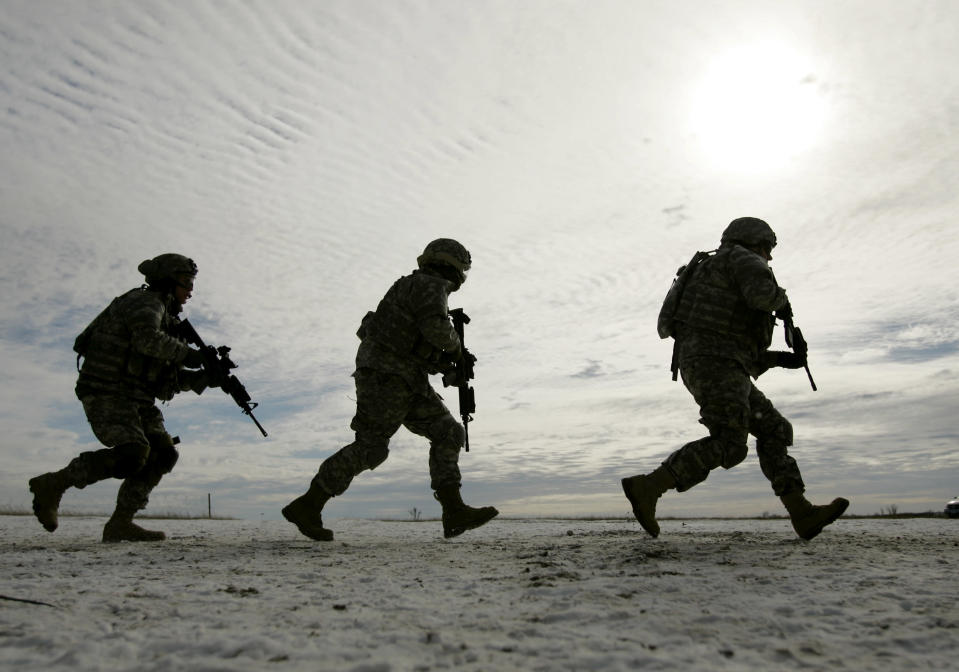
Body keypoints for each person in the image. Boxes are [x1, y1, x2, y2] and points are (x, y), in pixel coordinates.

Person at [622, 217, 848, 540]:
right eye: (767, 248)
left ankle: (802, 512)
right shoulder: (739, 258)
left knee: (774, 428)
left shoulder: (712, 270)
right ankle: (649, 487)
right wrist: (783, 303)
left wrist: (787, 360)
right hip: (716, 363)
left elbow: (742, 353)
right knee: (730, 440)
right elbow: (761, 296)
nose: (768, 257)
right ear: (753, 242)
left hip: (714, 363)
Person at [283, 238, 498, 541]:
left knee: (449, 431)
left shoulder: (416, 286)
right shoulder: (429, 284)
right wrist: (457, 350)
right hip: (387, 377)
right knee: (372, 446)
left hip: (406, 379)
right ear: (455, 266)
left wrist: (447, 367)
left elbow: (412, 343)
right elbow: (437, 330)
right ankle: (308, 505)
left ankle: (453, 511)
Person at [29, 253, 214, 542]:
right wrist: (193, 355)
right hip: (106, 389)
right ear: (167, 280)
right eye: (186, 282)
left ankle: (120, 524)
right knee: (133, 454)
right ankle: (53, 484)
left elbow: (165, 380)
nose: (190, 290)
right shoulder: (146, 302)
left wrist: (203, 379)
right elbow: (146, 339)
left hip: (138, 398)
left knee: (163, 453)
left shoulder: (168, 318)